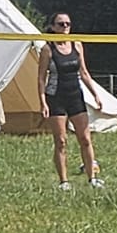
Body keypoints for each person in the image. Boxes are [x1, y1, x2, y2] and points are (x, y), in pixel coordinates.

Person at [37, 12, 102, 191]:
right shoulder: (47, 49)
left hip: (75, 95)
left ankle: (92, 178)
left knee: (85, 139)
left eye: (67, 24)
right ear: (53, 27)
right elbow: (41, 77)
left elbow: (84, 72)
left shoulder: (77, 45)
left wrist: (95, 94)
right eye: (61, 24)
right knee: (61, 140)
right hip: (56, 97)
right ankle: (64, 181)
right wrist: (43, 101)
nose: (65, 27)